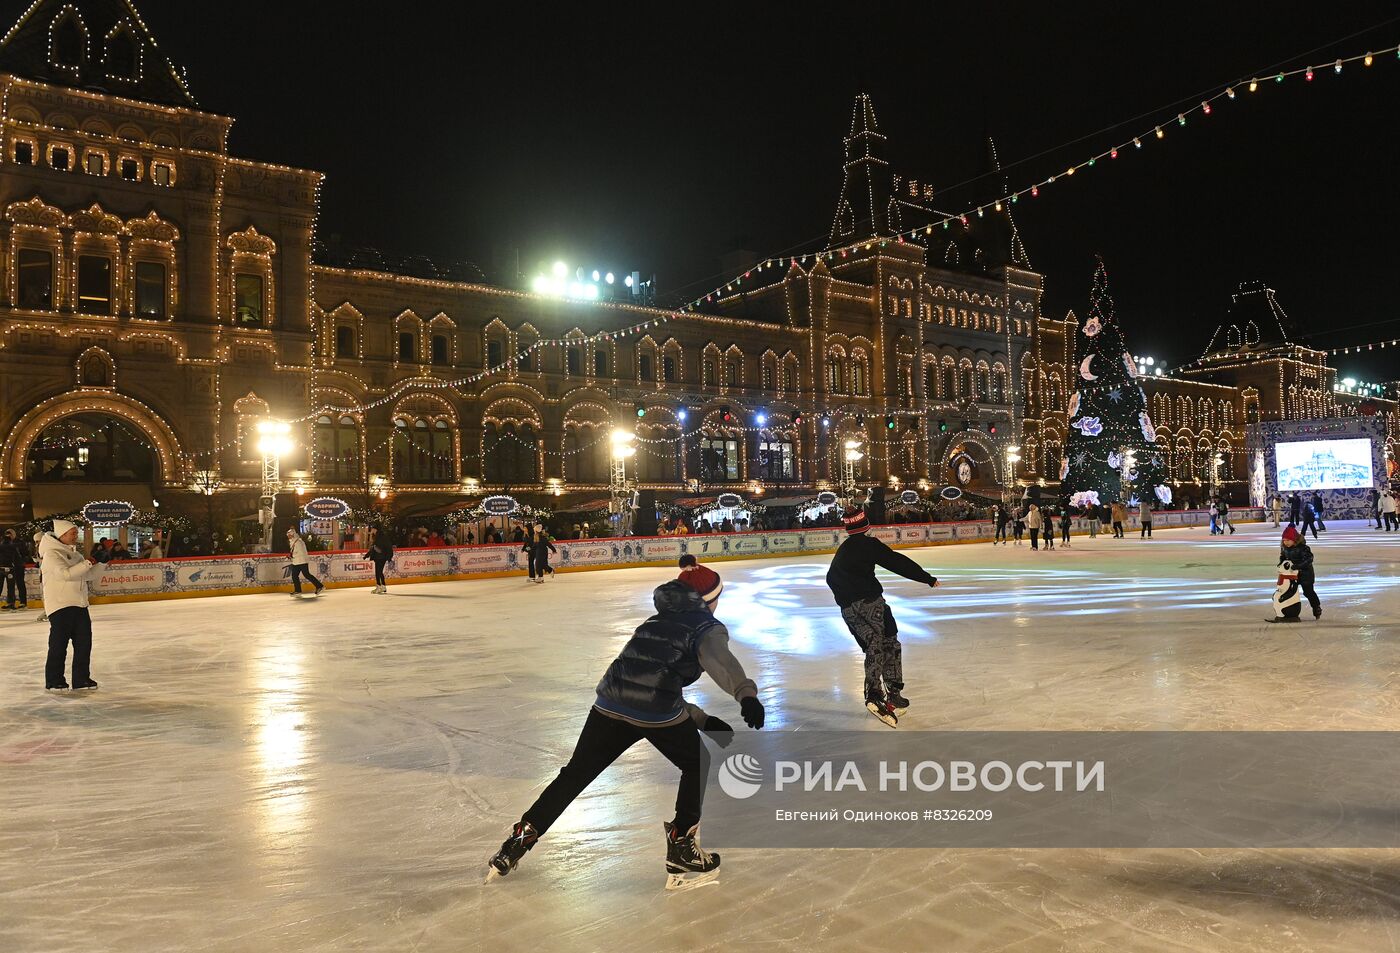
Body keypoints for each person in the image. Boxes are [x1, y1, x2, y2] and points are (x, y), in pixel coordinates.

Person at [486, 557, 763, 890]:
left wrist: (701, 719)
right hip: (655, 712)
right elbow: (721, 661)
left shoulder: (653, 623)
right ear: (709, 599)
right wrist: (745, 695)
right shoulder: (705, 626)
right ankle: (682, 847)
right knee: (697, 762)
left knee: (575, 774)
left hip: (609, 704)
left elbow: (642, 682)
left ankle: (518, 840)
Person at [825, 508, 939, 727]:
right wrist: (926, 578)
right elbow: (896, 562)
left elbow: (831, 578)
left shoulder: (844, 550)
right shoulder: (869, 545)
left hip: (849, 609)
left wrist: (846, 600)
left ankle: (890, 692)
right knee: (886, 643)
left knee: (879, 643)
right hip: (871, 604)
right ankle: (876, 694)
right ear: (866, 526)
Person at [39, 520, 100, 691]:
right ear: (62, 535)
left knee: (84, 643)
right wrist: (87, 563)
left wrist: (101, 563)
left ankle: (81, 679)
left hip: (79, 604)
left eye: (76, 532)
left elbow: (87, 576)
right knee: (59, 645)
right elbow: (65, 574)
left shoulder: (76, 555)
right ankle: (54, 679)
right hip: (60, 606)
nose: (76, 535)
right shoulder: (51, 554)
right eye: (72, 532)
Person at [1274, 524, 1321, 621]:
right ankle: (1289, 610)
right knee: (1290, 590)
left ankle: (1316, 607)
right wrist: (1282, 563)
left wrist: (1298, 566)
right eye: (1284, 540)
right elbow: (1283, 556)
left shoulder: (1303, 548)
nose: (1286, 542)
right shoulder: (1284, 548)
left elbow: (1309, 559)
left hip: (1305, 574)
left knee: (1308, 592)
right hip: (1292, 574)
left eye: (1288, 540)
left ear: (1294, 539)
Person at [286, 528, 324, 596]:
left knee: (306, 575)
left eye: (289, 535)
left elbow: (301, 552)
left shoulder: (298, 542)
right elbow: (295, 552)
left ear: (293, 535)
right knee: (295, 576)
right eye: (288, 535)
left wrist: (292, 556)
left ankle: (319, 586)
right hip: (296, 561)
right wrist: (291, 556)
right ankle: (298, 590)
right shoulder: (293, 541)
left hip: (302, 561)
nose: (288, 536)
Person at [1, 528, 30, 611]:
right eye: (7, 533)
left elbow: (26, 553)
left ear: (14, 534)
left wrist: (22, 561)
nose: (8, 535)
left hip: (18, 566)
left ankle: (23, 603)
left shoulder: (19, 543)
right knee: (10, 586)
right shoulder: (4, 542)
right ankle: (10, 603)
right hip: (9, 567)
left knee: (20, 583)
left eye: (10, 533)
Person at [365, 526, 393, 594]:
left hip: (380, 557)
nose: (371, 530)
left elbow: (375, 547)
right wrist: (367, 555)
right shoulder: (380, 536)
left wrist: (368, 554)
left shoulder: (379, 537)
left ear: (375, 529)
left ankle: (379, 586)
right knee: (379, 572)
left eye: (372, 529)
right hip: (381, 557)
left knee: (378, 572)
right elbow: (374, 547)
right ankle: (383, 586)